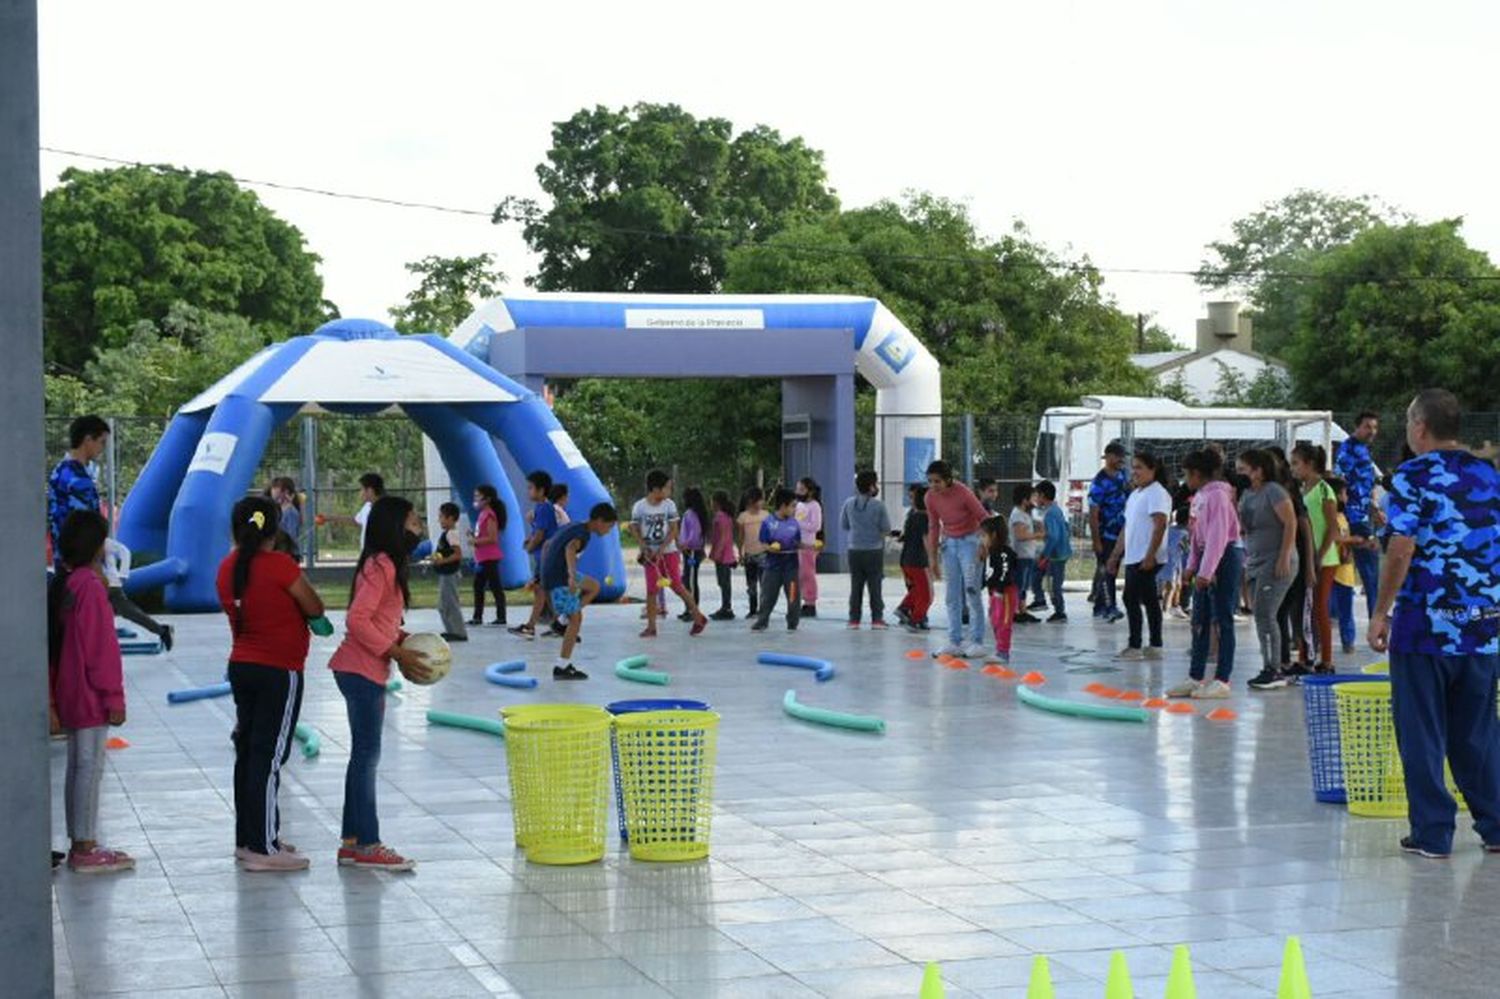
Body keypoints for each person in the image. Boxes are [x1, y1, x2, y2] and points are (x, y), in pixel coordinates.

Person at [1368, 388, 1500, 859]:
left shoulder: (1412, 475)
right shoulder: (1488, 475)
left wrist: (1381, 611)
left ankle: (1433, 832)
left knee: (1422, 731)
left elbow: (1401, 547)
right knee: (1478, 730)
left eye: (1408, 421)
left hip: (1426, 628)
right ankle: (1496, 824)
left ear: (1420, 426)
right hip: (1484, 628)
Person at [216, 496, 325, 871]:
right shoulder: (280, 566)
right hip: (279, 670)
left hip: (243, 666)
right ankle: (263, 848)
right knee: (269, 756)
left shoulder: (227, 568)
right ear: (274, 530)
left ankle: (251, 838)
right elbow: (315, 607)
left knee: (249, 752)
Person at [329, 495, 432, 872]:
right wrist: (396, 651)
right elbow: (357, 621)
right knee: (366, 758)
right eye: (414, 520)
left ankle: (352, 843)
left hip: (364, 670)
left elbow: (378, 619)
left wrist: (404, 640)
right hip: (359, 671)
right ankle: (368, 844)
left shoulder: (385, 564)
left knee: (362, 757)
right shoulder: (382, 565)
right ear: (395, 526)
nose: (419, 526)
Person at [48, 510, 132, 874]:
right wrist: (114, 697)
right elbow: (101, 649)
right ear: (96, 546)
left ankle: (81, 840)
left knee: (77, 767)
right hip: (90, 693)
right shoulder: (89, 588)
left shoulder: (66, 582)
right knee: (89, 767)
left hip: (69, 688)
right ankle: (84, 846)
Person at [1168, 448, 1242, 699]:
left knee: (1222, 620)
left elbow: (1218, 537)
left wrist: (1207, 571)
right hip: (1205, 560)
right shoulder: (1200, 496)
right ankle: (1195, 676)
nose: (1185, 480)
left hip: (1224, 558)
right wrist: (1191, 566)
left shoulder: (1218, 496)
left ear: (1197, 474)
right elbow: (1197, 536)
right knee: (1198, 620)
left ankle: (1222, 679)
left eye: (1187, 474)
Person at [1236, 450, 1300, 691]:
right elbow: (1245, 527)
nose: (1240, 474)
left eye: (1244, 469)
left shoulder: (1273, 491)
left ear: (1258, 470)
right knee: (1261, 614)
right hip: (1255, 561)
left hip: (1275, 561)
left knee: (1265, 614)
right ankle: (1269, 665)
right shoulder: (1246, 495)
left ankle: (1273, 668)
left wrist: (1284, 556)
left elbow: (1291, 522)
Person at [539, 503, 619, 680]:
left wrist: (545, 571)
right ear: (599, 521)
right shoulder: (582, 534)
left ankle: (561, 621)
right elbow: (569, 549)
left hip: (555, 573)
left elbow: (548, 545)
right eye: (609, 526)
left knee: (594, 587)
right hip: (559, 578)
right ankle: (562, 666)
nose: (608, 531)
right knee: (577, 620)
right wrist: (571, 575)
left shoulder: (576, 526)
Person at [1106, 451, 1172, 660]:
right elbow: (1128, 527)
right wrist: (1115, 555)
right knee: (1149, 598)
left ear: (1152, 470)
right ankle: (1155, 645)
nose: (1134, 472)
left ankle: (1135, 646)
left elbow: (1160, 524)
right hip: (1134, 555)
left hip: (1148, 556)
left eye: (1140, 467)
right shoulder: (1135, 495)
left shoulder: (1157, 493)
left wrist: (1150, 554)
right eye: (1133, 467)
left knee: (1130, 597)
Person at [631, 469, 708, 639]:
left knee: (677, 586)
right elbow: (634, 528)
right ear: (655, 489)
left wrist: (661, 548)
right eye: (667, 488)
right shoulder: (639, 507)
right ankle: (651, 627)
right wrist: (644, 547)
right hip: (650, 556)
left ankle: (698, 616)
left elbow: (674, 530)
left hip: (669, 553)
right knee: (651, 590)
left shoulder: (669, 505)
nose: (669, 492)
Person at [924, 460, 989, 658]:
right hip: (949, 545)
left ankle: (977, 641)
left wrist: (984, 544)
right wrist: (933, 559)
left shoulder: (963, 492)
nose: (934, 486)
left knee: (971, 591)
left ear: (948, 479)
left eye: (937, 481)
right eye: (930, 481)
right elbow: (934, 526)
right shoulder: (930, 497)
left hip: (970, 543)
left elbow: (983, 517)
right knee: (952, 595)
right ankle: (954, 641)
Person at [1292, 442, 1340, 673]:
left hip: (1325, 558)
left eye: (1296, 464)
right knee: (1306, 609)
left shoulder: (1324, 490)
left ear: (1309, 465)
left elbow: (1333, 528)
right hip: (1308, 557)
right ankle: (1305, 656)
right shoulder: (1302, 490)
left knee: (1320, 608)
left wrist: (1319, 556)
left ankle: (1327, 659)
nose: (1292, 468)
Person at [1269, 445, 1315, 678]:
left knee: (1298, 613)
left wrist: (1309, 566)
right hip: (1281, 560)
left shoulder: (1287, 492)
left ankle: (1308, 660)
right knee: (1279, 612)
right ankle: (1284, 661)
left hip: (1294, 560)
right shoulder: (1272, 490)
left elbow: (1304, 527)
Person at [1335, 410, 1383, 617]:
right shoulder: (1349, 450)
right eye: (1367, 426)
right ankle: (1376, 617)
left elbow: (1366, 484)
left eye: (1374, 427)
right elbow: (1341, 482)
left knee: (1361, 572)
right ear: (1357, 426)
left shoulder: (1363, 450)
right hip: (1355, 519)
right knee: (1369, 573)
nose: (1372, 431)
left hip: (1363, 516)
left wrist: (1374, 507)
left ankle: (1371, 615)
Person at [48, 414, 109, 564]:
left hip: (62, 556)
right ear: (88, 440)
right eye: (102, 442)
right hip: (80, 561)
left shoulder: (59, 469)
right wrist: (97, 565)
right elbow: (85, 526)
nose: (103, 448)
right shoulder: (78, 478)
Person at [101, 536, 173, 650]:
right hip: (99, 583)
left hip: (110, 584)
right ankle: (161, 630)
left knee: (129, 611)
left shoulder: (104, 542)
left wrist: (123, 574)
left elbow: (124, 551)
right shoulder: (85, 542)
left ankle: (162, 630)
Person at [841, 470, 892, 629]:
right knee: (874, 585)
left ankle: (854, 619)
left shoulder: (848, 503)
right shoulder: (879, 505)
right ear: (871, 486)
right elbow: (886, 529)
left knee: (856, 586)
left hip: (854, 550)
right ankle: (877, 619)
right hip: (873, 551)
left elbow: (844, 525)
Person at [511, 471, 557, 637]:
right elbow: (537, 531)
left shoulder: (545, 508)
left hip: (546, 557)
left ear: (541, 490)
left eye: (531, 488)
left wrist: (531, 546)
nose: (528, 491)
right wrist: (529, 539)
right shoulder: (539, 508)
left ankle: (532, 626)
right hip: (542, 558)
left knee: (541, 590)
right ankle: (556, 624)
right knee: (543, 591)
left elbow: (541, 534)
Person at [1088, 442, 1130, 623]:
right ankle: (1109, 606)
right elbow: (1093, 514)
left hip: (1122, 533)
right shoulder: (1099, 482)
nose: (1122, 460)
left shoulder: (1122, 475)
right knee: (1108, 571)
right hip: (1106, 535)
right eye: (1119, 456)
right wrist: (1096, 540)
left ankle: (1100, 605)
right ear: (1109, 457)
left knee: (1112, 569)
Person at [750, 487, 802, 632]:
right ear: (783, 505)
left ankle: (793, 622)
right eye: (792, 506)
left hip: (791, 567)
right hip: (772, 566)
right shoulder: (768, 522)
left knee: (793, 596)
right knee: (767, 596)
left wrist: (809, 546)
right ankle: (762, 620)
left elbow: (797, 542)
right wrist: (769, 548)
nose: (794, 509)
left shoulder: (795, 523)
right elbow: (763, 542)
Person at [980, 515, 1019, 665]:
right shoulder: (990, 552)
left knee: (1004, 621)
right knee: (995, 619)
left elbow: (1005, 571)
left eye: (984, 536)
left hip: (1005, 593)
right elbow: (989, 572)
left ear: (994, 535)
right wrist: (982, 585)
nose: (982, 540)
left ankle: (1003, 652)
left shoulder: (1003, 553)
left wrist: (1000, 589)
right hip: (995, 593)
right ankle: (999, 649)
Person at [894, 484, 933, 632]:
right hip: (918, 560)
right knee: (927, 594)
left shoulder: (912, 516)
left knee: (917, 589)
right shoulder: (925, 518)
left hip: (906, 560)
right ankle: (915, 619)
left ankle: (905, 608)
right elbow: (926, 540)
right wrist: (933, 559)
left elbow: (904, 537)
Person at [1329, 478, 1360, 655]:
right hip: (1332, 570)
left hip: (1345, 572)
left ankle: (1348, 641)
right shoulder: (1331, 517)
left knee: (1346, 611)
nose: (1346, 496)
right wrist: (1352, 540)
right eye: (1344, 493)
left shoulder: (1343, 517)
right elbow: (1335, 538)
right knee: (1327, 610)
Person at [469, 483, 507, 627]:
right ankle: (477, 616)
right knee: (478, 587)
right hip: (482, 557)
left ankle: (501, 616)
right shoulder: (482, 515)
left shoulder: (490, 515)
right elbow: (482, 534)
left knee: (495, 587)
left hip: (489, 557)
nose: (476, 499)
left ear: (487, 499)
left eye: (478, 497)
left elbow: (492, 538)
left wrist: (475, 540)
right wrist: (474, 537)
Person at [1034, 481, 1073, 623]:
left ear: (1043, 496)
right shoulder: (1056, 509)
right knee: (1051, 581)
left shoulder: (1050, 513)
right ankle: (1050, 604)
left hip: (1057, 555)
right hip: (1061, 552)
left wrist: (1045, 554)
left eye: (1037, 495)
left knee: (1054, 584)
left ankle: (1059, 611)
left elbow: (1054, 536)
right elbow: (1066, 528)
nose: (1036, 499)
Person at [431, 502, 468, 642]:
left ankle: (459, 632)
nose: (439, 520)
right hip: (445, 573)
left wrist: (442, 561)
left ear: (451, 518)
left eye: (441, 517)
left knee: (450, 603)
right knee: (442, 605)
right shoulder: (446, 534)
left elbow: (458, 554)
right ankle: (451, 630)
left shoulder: (452, 534)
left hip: (449, 574)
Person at [1008, 484, 1042, 625]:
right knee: (1019, 584)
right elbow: (1020, 535)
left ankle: (1022, 610)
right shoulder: (1018, 515)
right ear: (1024, 499)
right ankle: (1015, 611)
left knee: (1023, 585)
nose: (1035, 500)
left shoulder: (1024, 514)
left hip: (1027, 555)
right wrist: (1038, 535)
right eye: (1033, 497)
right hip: (1020, 556)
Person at [677, 487, 710, 622]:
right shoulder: (695, 513)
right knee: (688, 580)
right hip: (692, 551)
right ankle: (689, 608)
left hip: (691, 551)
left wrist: (685, 544)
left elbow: (694, 534)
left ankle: (693, 610)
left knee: (690, 581)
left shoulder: (691, 514)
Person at [737, 488, 769, 620]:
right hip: (749, 555)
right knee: (751, 584)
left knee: (764, 583)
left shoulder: (766, 515)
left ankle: (764, 609)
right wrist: (740, 553)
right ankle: (752, 609)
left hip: (764, 553)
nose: (762, 502)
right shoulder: (743, 517)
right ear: (751, 501)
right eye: (760, 499)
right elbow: (740, 537)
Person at [794, 477, 823, 617]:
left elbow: (816, 526)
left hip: (807, 545)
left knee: (807, 575)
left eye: (802, 489)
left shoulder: (814, 506)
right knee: (796, 575)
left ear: (810, 491)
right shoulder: (798, 505)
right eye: (797, 489)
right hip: (796, 545)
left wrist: (797, 524)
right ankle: (796, 601)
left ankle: (810, 603)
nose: (798, 492)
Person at [707, 491, 739, 620]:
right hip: (727, 554)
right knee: (725, 582)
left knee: (723, 582)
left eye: (712, 500)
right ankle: (726, 606)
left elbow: (722, 537)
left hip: (722, 555)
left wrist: (717, 553)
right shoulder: (727, 516)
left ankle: (726, 608)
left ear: (716, 502)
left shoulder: (719, 517)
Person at [267, 476, 303, 560]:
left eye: (276, 487)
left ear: (286, 492)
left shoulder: (290, 512)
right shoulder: (280, 510)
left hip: (287, 553)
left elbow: (291, 535)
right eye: (273, 487)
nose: (273, 491)